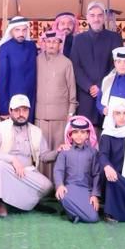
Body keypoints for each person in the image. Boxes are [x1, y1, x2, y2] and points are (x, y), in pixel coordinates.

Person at [0, 94, 56, 216]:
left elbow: (44, 156)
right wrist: (12, 159)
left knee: (47, 186)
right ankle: (1, 202)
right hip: (5, 170)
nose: (21, 114)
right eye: (17, 110)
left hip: (27, 172)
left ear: (29, 111)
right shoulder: (0, 127)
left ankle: (20, 203)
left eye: (24, 110)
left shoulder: (36, 131)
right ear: (10, 111)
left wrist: (58, 152)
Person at [70, 1, 123, 120]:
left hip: (108, 93)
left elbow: (117, 65)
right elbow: (75, 67)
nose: (96, 19)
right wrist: (89, 86)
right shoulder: (79, 39)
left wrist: (100, 86)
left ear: (104, 17)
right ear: (87, 18)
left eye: (99, 15)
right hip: (85, 95)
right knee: (86, 129)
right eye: (92, 15)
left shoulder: (114, 38)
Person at [34, 30, 76, 175]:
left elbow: (72, 90)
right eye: (49, 41)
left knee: (59, 152)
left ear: (60, 44)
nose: (51, 45)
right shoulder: (36, 60)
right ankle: (42, 183)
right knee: (41, 152)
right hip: (40, 115)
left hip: (61, 117)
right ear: (44, 43)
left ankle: (58, 182)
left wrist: (71, 113)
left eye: (55, 42)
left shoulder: (66, 63)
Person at [53, 115, 102, 223]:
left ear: (88, 134)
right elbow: (58, 170)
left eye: (82, 132)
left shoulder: (93, 152)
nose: (79, 135)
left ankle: (72, 214)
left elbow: (96, 174)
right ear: (70, 134)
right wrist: (60, 185)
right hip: (69, 188)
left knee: (93, 218)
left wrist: (94, 195)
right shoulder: (65, 151)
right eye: (75, 132)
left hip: (86, 190)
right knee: (62, 195)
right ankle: (74, 213)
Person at [0, 17, 38, 123]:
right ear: (11, 31)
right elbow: (2, 80)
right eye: (17, 30)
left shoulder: (32, 47)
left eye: (24, 30)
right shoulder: (4, 49)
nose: (21, 33)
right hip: (13, 98)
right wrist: (4, 108)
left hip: (31, 98)